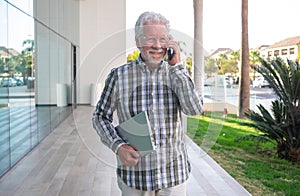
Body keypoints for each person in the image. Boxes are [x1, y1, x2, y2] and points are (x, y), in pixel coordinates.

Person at [92, 11, 203, 196]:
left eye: (163, 39)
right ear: (137, 41)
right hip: (136, 177)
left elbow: (194, 109)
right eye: (150, 38)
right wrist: (118, 146)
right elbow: (100, 116)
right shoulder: (118, 76)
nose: (157, 46)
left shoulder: (177, 73)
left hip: (173, 177)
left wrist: (177, 68)